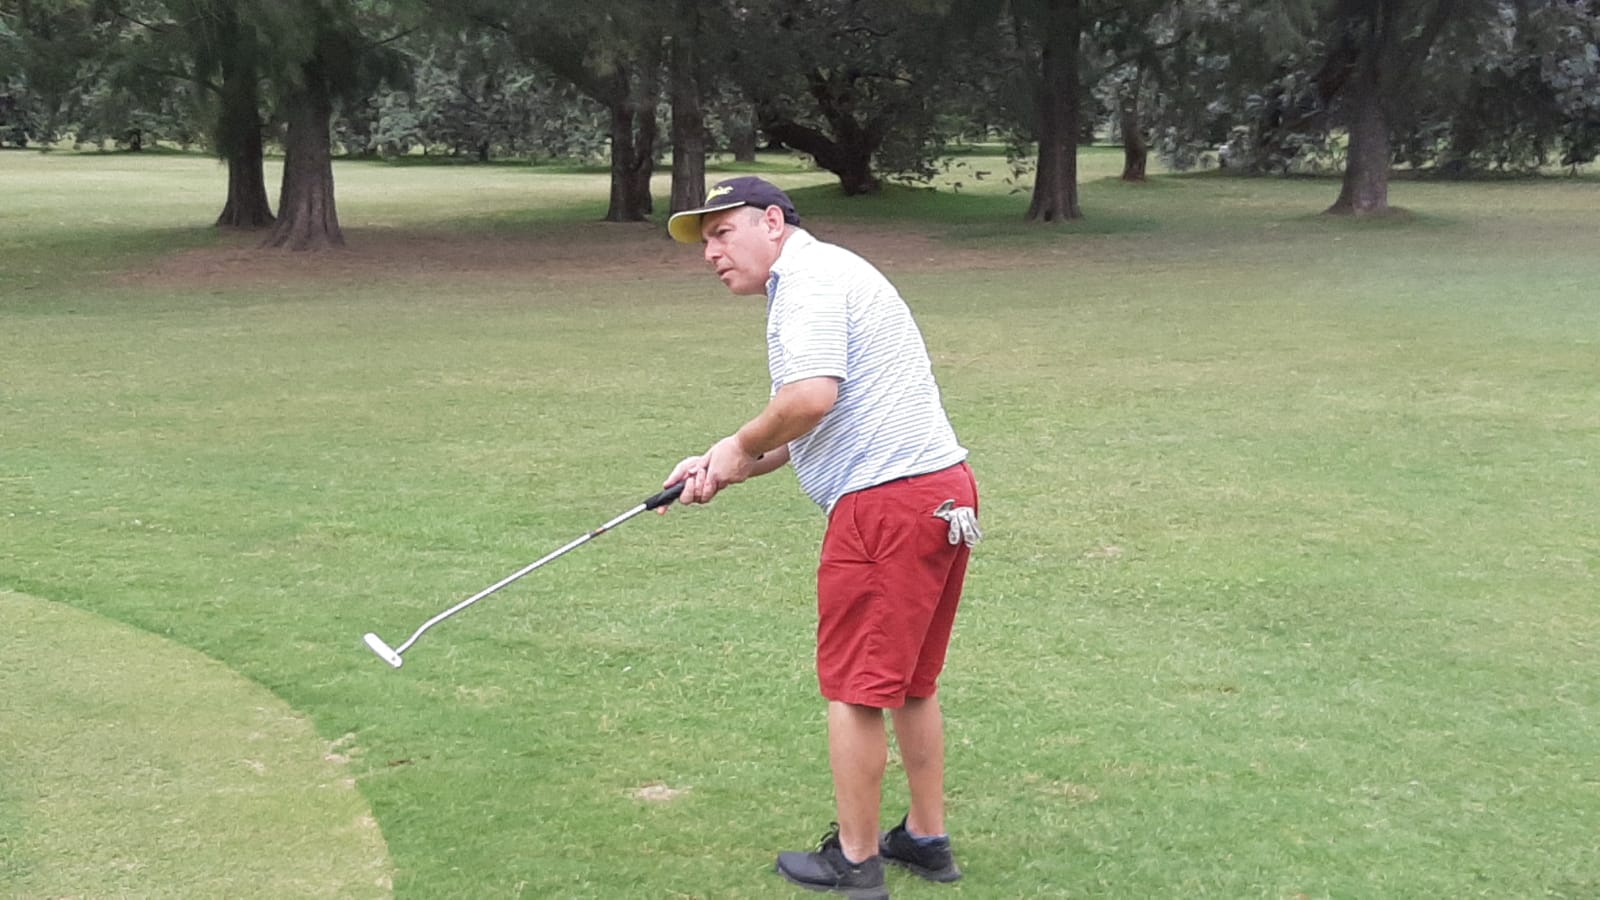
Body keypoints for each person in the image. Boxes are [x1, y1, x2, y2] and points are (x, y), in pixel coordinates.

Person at [662, 176, 982, 899]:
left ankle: (856, 861)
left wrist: (740, 445)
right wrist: (724, 463)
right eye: (705, 241)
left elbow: (809, 398)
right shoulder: (828, 270)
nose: (711, 252)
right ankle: (925, 838)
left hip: (885, 505)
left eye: (723, 232)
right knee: (910, 682)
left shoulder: (806, 283)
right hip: (939, 492)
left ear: (773, 222)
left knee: (857, 689)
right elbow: (812, 421)